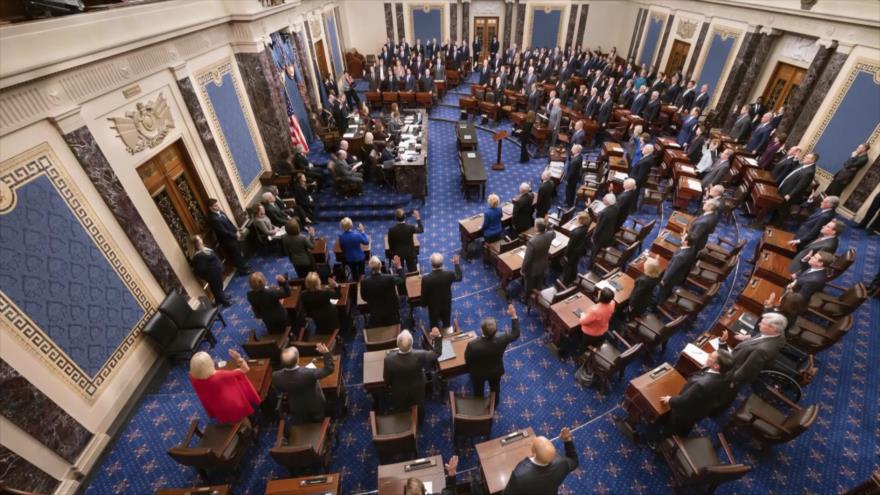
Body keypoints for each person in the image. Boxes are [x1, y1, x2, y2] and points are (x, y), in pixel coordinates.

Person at [659, 350, 735, 438]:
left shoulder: (701, 384)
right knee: (685, 428)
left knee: (672, 429)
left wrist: (670, 399)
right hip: (700, 411)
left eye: (711, 357)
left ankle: (663, 445)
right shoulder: (727, 375)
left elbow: (683, 401)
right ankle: (682, 435)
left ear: (716, 366)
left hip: (684, 412)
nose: (708, 355)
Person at [465, 304, 520, 403]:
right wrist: (513, 315)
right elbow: (515, 334)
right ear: (495, 330)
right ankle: (494, 405)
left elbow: (467, 359)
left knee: (478, 393)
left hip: (478, 373)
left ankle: (479, 405)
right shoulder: (503, 337)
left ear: (481, 329)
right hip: (495, 371)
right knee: (495, 390)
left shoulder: (472, 345)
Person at [384, 328, 442, 422]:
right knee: (419, 405)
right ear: (411, 344)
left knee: (400, 407)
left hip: (399, 390)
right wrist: (438, 337)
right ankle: (420, 420)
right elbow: (437, 352)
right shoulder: (420, 355)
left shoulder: (388, 360)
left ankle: (403, 421)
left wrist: (388, 387)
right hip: (418, 388)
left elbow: (386, 378)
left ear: (397, 344)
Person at [190, 349, 261, 424]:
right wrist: (238, 358)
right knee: (252, 404)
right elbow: (245, 369)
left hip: (217, 407)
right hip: (233, 406)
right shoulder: (221, 376)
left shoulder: (193, 377)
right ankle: (255, 423)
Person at [503, 427, 578, 495]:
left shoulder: (520, 474)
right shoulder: (562, 463)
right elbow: (574, 461)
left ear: (534, 453)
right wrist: (567, 440)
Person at [272, 344, 334, 424]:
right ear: (298, 360)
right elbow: (329, 370)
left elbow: (279, 391)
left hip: (296, 406)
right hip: (315, 405)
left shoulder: (275, 376)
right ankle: (321, 427)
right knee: (319, 419)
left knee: (303, 420)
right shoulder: (309, 373)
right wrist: (326, 353)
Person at [722, 312, 787, 388]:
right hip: (741, 355)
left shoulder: (761, 350)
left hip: (734, 368)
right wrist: (746, 337)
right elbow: (761, 336)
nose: (759, 324)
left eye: (763, 323)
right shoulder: (779, 333)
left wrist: (731, 380)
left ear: (773, 328)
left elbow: (746, 370)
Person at [567, 287, 616, 358]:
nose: (599, 292)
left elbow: (582, 322)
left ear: (600, 297)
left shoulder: (595, 310)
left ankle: (579, 356)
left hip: (591, 333)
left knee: (584, 345)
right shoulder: (612, 303)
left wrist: (582, 314)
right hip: (603, 329)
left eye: (600, 292)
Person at [207, 198, 249, 275]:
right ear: (210, 208)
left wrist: (236, 230)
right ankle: (243, 271)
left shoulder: (221, 212)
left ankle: (245, 267)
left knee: (239, 252)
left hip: (233, 236)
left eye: (217, 204)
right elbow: (223, 232)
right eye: (215, 206)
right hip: (228, 241)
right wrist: (235, 236)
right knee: (236, 255)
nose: (217, 206)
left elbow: (229, 222)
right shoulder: (214, 219)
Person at [361, 255, 406, 326]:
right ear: (380, 266)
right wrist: (399, 266)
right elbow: (402, 280)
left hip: (375, 312)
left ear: (370, 268)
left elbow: (364, 298)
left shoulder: (364, 282)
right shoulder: (389, 278)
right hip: (391, 310)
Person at [421, 253, 463, 329]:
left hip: (433, 306)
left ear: (431, 264)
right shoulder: (449, 274)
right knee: (446, 324)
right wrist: (456, 264)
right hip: (446, 304)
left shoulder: (426, 279)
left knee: (434, 325)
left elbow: (424, 294)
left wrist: (424, 304)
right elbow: (459, 277)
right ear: (442, 263)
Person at [190, 235, 230, 307]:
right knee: (217, 288)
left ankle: (219, 299)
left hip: (216, 271)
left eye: (200, 239)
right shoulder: (198, 256)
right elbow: (201, 270)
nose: (200, 241)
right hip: (212, 275)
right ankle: (225, 302)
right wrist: (209, 277)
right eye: (198, 240)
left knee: (219, 287)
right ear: (195, 244)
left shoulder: (205, 249)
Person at [656, 236, 698, 304]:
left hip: (672, 278)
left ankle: (658, 304)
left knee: (663, 291)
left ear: (686, 242)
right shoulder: (692, 248)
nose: (682, 238)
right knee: (668, 290)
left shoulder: (680, 256)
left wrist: (664, 280)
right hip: (679, 274)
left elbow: (672, 270)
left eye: (683, 238)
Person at [522, 218, 556, 300]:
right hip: (543, 263)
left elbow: (527, 259)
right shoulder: (550, 235)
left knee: (529, 284)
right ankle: (538, 294)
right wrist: (547, 225)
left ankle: (526, 299)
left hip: (532, 268)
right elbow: (553, 232)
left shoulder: (532, 242)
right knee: (539, 281)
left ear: (536, 228)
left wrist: (523, 270)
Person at [588, 193, 619, 267]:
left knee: (594, 252)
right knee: (600, 249)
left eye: (604, 198)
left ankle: (591, 266)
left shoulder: (603, 213)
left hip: (600, 237)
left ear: (608, 201)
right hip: (609, 233)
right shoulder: (615, 207)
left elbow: (598, 226)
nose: (602, 199)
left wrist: (593, 237)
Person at [561, 213, 591, 285]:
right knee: (574, 264)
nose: (576, 219)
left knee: (568, 267)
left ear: (581, 220)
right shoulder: (585, 227)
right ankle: (573, 277)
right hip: (578, 250)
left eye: (577, 218)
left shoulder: (576, 232)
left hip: (572, 252)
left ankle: (565, 282)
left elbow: (570, 245)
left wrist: (566, 254)